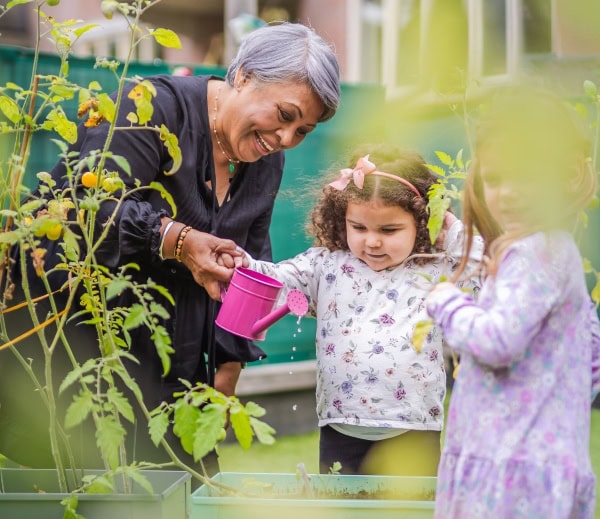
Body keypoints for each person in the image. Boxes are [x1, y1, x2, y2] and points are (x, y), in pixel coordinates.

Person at [0, 22, 340, 480]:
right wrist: (177, 240)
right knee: (86, 489)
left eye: (302, 130)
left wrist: (228, 368)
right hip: (83, 355)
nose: (284, 139)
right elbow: (86, 208)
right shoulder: (150, 108)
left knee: (181, 491)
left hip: (177, 375)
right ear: (243, 77)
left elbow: (250, 271)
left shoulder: (263, 163)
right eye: (284, 115)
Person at [243, 143, 483, 476]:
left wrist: (450, 227)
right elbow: (278, 280)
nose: (372, 241)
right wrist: (240, 265)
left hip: (414, 429)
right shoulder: (326, 265)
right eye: (359, 228)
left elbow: (481, 273)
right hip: (341, 428)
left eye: (389, 230)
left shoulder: (434, 270)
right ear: (342, 220)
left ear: (422, 223)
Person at [425, 87, 600, 518]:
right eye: (497, 178)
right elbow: (590, 366)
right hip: (535, 466)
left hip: (511, 475)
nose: (511, 192)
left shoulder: (535, 253)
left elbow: (499, 341)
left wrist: (447, 302)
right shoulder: (554, 252)